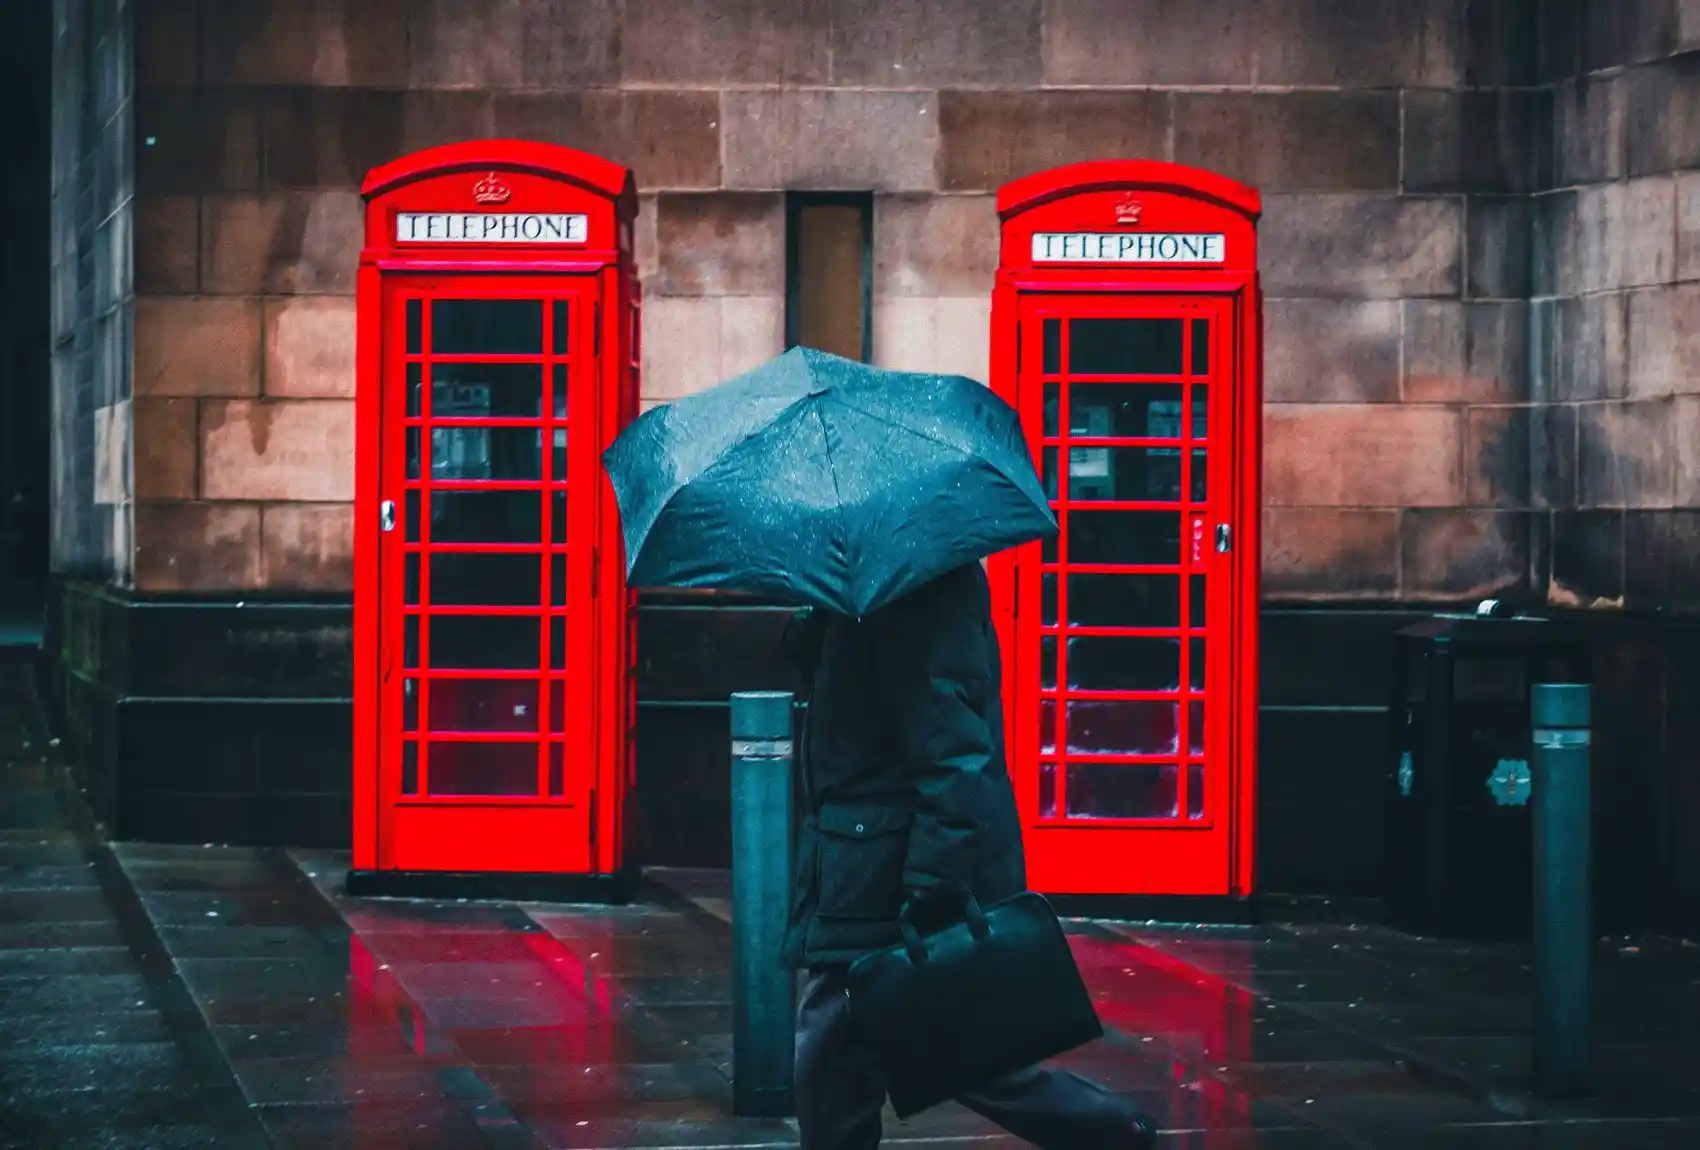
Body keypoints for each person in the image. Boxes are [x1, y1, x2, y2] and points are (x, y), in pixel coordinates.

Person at [779, 562, 1157, 1150]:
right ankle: (1110, 1131)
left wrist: (931, 886)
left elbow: (955, 755)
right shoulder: (869, 582)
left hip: (886, 870)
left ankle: (1110, 1131)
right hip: (861, 860)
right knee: (934, 1056)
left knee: (839, 1052)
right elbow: (857, 697)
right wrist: (815, 620)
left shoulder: (917, 585)